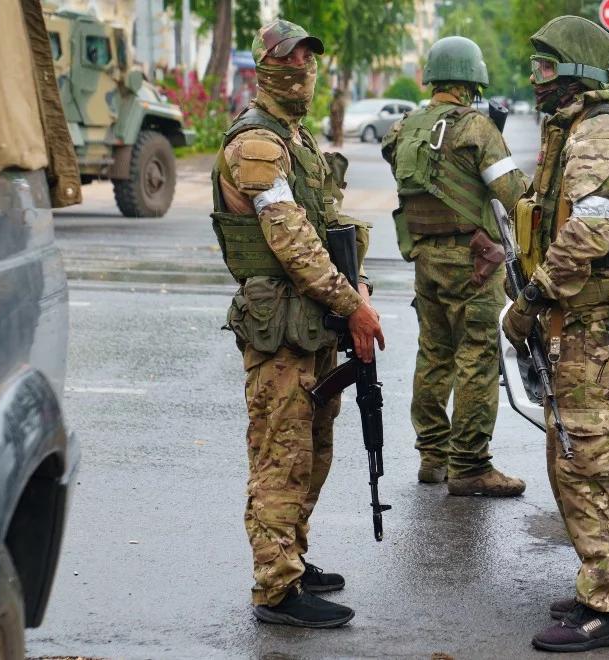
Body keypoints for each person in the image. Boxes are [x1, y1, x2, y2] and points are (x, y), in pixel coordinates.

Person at [211, 19, 386, 629]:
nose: (304, 71)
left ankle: (291, 555)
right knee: (280, 454)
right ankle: (276, 589)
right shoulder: (256, 143)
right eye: (292, 61)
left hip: (312, 321)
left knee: (311, 448)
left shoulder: (295, 138)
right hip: (280, 327)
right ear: (266, 67)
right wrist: (352, 305)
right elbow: (290, 240)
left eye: (310, 61)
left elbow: (328, 226)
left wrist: (356, 285)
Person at [501, 15, 609, 653]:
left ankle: (607, 608)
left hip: (586, 329)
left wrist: (530, 302)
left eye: (544, 67)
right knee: (581, 464)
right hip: (580, 326)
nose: (535, 79)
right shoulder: (576, 130)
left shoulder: (596, 135)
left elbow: (588, 234)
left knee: (585, 463)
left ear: (577, 72)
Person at [381, 36, 529, 496]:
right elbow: (514, 195)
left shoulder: (404, 129)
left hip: (425, 258)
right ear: (473, 81)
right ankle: (469, 465)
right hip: (475, 263)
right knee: (477, 356)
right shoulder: (476, 128)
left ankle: (433, 456)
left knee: (434, 354)